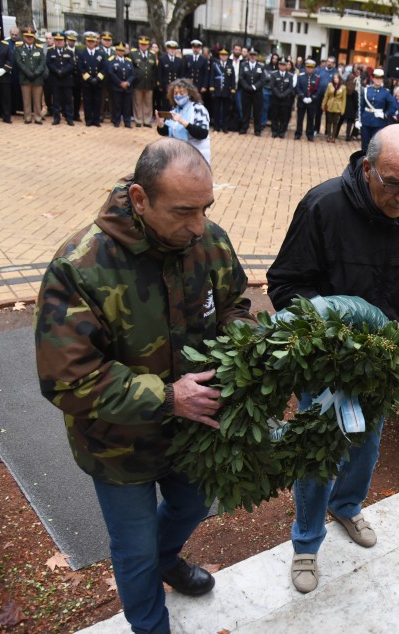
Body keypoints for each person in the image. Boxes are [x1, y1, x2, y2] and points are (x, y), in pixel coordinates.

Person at [35, 138, 254, 634]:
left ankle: (167, 558)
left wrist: (243, 345)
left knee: (193, 504)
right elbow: (66, 379)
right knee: (132, 550)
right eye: (183, 212)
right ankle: (151, 624)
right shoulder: (79, 267)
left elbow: (235, 304)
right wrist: (168, 396)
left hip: (193, 432)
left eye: (206, 209)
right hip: (119, 446)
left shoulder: (208, 241)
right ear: (139, 198)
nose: (198, 226)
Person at [266, 124, 399, 595]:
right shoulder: (323, 206)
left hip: (385, 366)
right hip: (329, 366)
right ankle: (306, 543)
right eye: (394, 184)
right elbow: (286, 285)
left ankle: (347, 506)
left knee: (367, 446)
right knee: (318, 454)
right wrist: (332, 341)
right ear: (367, 168)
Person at [157, 78, 211, 164]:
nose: (178, 96)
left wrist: (183, 122)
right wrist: (160, 124)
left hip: (197, 156)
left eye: (181, 93)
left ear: (189, 94)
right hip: (178, 156)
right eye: (175, 93)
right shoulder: (174, 110)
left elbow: (202, 133)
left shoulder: (198, 109)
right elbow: (167, 132)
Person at [14, 26, 46, 125]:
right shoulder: (19, 48)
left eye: (31, 36)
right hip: (25, 77)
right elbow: (19, 62)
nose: (29, 38)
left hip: (37, 78)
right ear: (24, 37)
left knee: (37, 100)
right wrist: (28, 73)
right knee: (26, 99)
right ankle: (27, 117)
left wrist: (36, 73)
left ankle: (38, 117)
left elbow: (42, 63)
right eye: (27, 36)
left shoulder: (39, 48)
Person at [358, 67, 395, 152]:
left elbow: (393, 106)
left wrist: (385, 114)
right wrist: (358, 118)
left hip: (378, 122)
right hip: (366, 120)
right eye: (376, 78)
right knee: (364, 145)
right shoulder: (367, 90)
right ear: (373, 78)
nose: (378, 80)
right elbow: (361, 105)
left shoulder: (386, 92)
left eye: (380, 78)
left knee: (375, 145)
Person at [77, 32, 107, 127]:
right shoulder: (82, 53)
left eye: (92, 41)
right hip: (87, 82)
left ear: (95, 42)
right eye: (89, 41)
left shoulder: (101, 54)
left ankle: (96, 120)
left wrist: (97, 78)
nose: (90, 43)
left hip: (98, 82)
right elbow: (80, 68)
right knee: (87, 101)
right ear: (86, 42)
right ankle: (88, 120)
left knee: (97, 101)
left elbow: (104, 68)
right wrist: (89, 79)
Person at [46, 31, 75, 126]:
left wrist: (63, 71)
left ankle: (69, 118)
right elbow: (49, 63)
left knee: (68, 100)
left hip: (66, 79)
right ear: (54, 40)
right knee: (56, 100)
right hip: (55, 79)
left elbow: (71, 64)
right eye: (57, 40)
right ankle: (56, 118)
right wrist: (57, 71)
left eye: (61, 40)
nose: (59, 42)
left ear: (64, 41)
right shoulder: (50, 51)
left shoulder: (69, 52)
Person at [129, 35, 157, 128]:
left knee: (148, 102)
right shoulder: (133, 54)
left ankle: (147, 120)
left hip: (149, 82)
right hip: (138, 82)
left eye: (145, 44)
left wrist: (154, 81)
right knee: (137, 102)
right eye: (141, 44)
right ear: (139, 44)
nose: (143, 46)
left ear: (148, 45)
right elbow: (131, 68)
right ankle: (138, 120)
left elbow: (154, 69)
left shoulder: (152, 54)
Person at [107, 42, 135, 128]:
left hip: (127, 87)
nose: (121, 52)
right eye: (119, 50)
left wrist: (128, 82)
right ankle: (116, 121)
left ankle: (127, 122)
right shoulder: (112, 60)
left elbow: (133, 74)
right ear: (116, 51)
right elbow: (111, 73)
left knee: (127, 106)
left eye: (122, 51)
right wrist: (120, 83)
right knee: (117, 105)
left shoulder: (129, 61)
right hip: (117, 87)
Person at [237, 48, 265, 135]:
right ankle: (244, 128)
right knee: (246, 111)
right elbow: (241, 78)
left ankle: (257, 130)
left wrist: (254, 87)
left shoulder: (261, 66)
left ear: (256, 57)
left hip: (257, 92)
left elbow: (262, 80)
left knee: (257, 111)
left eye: (254, 55)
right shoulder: (243, 65)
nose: (252, 57)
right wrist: (247, 87)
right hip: (246, 92)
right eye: (251, 55)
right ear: (248, 56)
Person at [207, 47, 235, 132]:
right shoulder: (215, 65)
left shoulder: (230, 66)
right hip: (217, 90)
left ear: (227, 56)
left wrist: (233, 89)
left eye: (225, 55)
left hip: (226, 90)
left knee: (226, 110)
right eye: (222, 55)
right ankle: (216, 126)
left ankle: (225, 127)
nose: (223, 57)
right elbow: (211, 77)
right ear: (219, 56)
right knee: (216, 109)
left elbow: (232, 78)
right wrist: (211, 88)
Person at [294, 58, 321, 141]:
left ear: (314, 68)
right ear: (305, 67)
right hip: (302, 101)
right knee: (300, 118)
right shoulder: (301, 76)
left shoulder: (317, 78)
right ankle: (298, 133)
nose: (309, 69)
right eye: (308, 67)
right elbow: (297, 87)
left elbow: (318, 90)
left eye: (311, 67)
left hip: (311, 102)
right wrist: (302, 97)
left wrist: (312, 98)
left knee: (310, 118)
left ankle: (310, 134)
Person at [269, 57, 294, 139]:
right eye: (281, 64)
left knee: (284, 116)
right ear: (278, 65)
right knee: (274, 116)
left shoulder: (290, 75)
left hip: (285, 99)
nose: (282, 66)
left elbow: (290, 88)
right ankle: (274, 131)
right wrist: (278, 94)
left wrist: (283, 95)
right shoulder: (274, 74)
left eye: (284, 65)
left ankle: (282, 132)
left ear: (286, 65)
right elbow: (272, 86)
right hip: (275, 98)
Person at [321, 71, 346, 143]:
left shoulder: (343, 87)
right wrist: (323, 104)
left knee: (335, 122)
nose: (335, 79)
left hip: (338, 106)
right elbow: (326, 95)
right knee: (329, 121)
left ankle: (333, 136)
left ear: (339, 79)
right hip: (330, 105)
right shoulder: (330, 85)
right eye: (334, 78)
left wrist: (342, 109)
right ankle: (328, 135)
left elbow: (344, 99)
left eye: (337, 78)